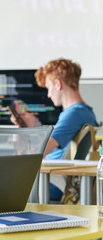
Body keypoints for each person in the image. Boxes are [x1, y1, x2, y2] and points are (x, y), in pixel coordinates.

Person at [11, 58, 98, 201]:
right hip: (52, 178)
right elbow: (54, 146)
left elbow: (40, 152)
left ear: (58, 84)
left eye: (48, 88)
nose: (48, 94)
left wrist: (21, 135)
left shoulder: (73, 114)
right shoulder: (84, 111)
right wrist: (33, 126)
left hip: (50, 182)